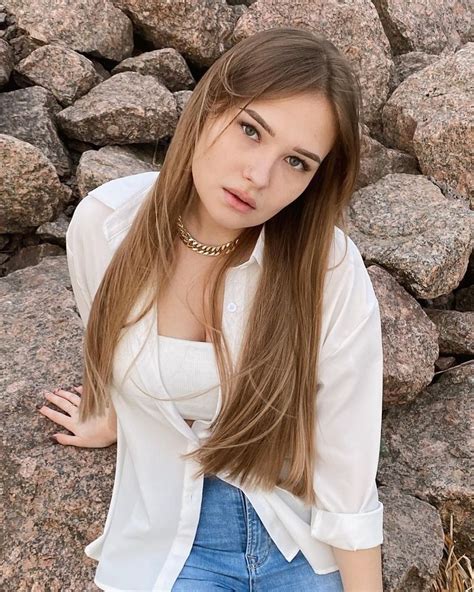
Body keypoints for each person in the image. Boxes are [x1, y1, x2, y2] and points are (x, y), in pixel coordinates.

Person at [38, 27, 384, 592]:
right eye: (251, 131)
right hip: (170, 541)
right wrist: (107, 415)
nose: (260, 176)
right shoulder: (106, 226)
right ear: (207, 108)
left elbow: (348, 470)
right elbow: (105, 339)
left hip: (296, 534)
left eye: (297, 162)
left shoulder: (327, 268)